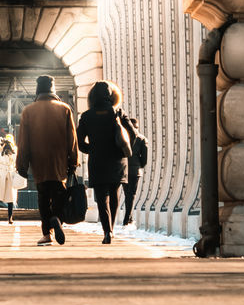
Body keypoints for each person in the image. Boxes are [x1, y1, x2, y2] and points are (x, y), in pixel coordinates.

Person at [16, 75, 79, 247]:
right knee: (59, 196)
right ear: (53, 90)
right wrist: (73, 162)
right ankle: (56, 218)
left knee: (43, 198)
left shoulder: (28, 111)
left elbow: (23, 142)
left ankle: (47, 234)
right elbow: (72, 140)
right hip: (60, 164)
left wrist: (21, 165)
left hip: (39, 164)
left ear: (38, 90)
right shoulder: (65, 109)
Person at [76, 80, 130, 244]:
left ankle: (107, 231)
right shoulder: (117, 113)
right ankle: (112, 228)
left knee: (101, 198)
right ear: (110, 95)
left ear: (92, 96)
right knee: (114, 195)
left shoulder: (86, 116)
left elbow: (79, 142)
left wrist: (91, 149)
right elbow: (132, 135)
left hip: (97, 161)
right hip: (116, 161)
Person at [0, 129, 21, 224]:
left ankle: (10, 218)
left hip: (9, 174)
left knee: (10, 197)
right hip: (0, 174)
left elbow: (15, 159)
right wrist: (2, 140)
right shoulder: (0, 148)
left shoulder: (14, 150)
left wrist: (11, 149)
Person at [120, 114, 148, 226]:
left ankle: (129, 217)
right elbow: (144, 159)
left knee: (127, 194)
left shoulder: (122, 137)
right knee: (131, 195)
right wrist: (139, 165)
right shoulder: (142, 139)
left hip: (123, 170)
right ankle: (127, 219)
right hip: (135, 171)